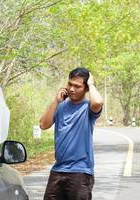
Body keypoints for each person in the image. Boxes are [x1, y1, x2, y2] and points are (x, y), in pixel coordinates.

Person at [39, 67, 103, 200]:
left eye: (77, 86)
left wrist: (91, 83)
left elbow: (97, 102)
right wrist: (56, 101)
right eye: (70, 84)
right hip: (58, 170)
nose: (72, 89)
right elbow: (43, 125)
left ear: (86, 89)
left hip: (80, 172)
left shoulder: (88, 108)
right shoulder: (60, 106)